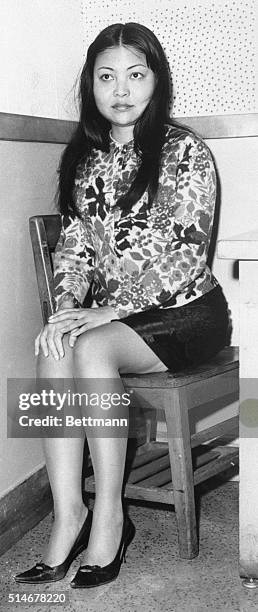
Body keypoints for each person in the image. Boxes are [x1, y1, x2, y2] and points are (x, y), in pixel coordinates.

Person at [15, 22, 230, 589]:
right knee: (59, 343)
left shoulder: (186, 151)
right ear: (90, 84)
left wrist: (109, 311)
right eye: (106, 76)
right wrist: (64, 308)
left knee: (88, 348)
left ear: (156, 81)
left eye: (135, 74)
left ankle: (110, 514)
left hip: (187, 312)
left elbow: (186, 254)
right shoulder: (86, 161)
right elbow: (76, 249)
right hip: (117, 321)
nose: (121, 89)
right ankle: (69, 516)